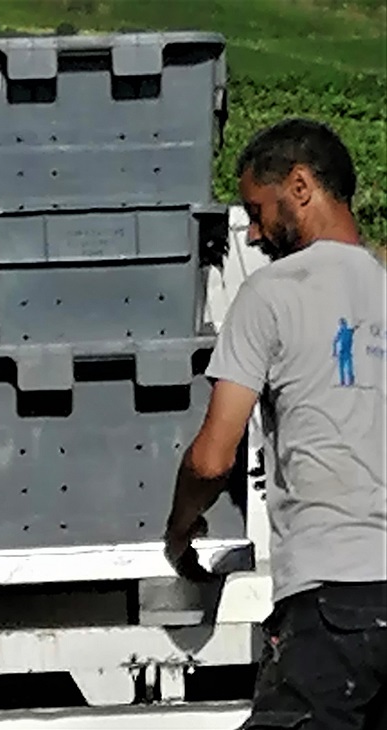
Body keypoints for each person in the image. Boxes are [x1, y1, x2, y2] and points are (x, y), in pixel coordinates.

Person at [163, 118, 387, 729]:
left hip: (332, 595)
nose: (255, 234)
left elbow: (214, 457)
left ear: (301, 184)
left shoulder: (272, 293)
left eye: (258, 211)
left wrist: (180, 530)